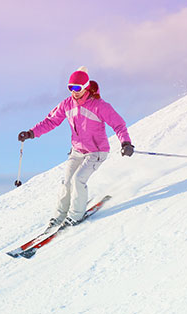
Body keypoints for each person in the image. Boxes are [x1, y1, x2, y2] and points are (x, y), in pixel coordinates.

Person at [18, 66, 134, 230]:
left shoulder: (99, 106)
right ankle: (59, 216)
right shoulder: (67, 104)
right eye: (70, 88)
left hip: (97, 151)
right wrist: (31, 133)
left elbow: (119, 124)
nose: (74, 91)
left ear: (86, 86)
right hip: (77, 150)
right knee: (66, 182)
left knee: (78, 180)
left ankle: (75, 216)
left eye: (77, 88)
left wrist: (126, 143)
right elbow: (50, 121)